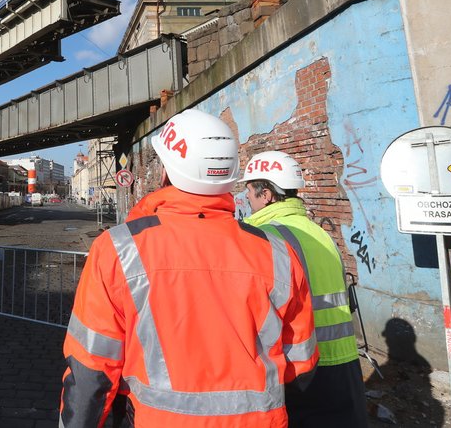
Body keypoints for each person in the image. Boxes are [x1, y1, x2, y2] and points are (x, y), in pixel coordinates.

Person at [60, 109, 318, 427]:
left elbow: (91, 370)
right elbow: (301, 365)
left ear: (167, 172)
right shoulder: (278, 253)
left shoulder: (118, 249)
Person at [241, 150, 368, 427]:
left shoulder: (265, 236)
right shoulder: (316, 230)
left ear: (266, 195)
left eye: (249, 191)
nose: (246, 198)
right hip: (344, 364)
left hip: (299, 367)